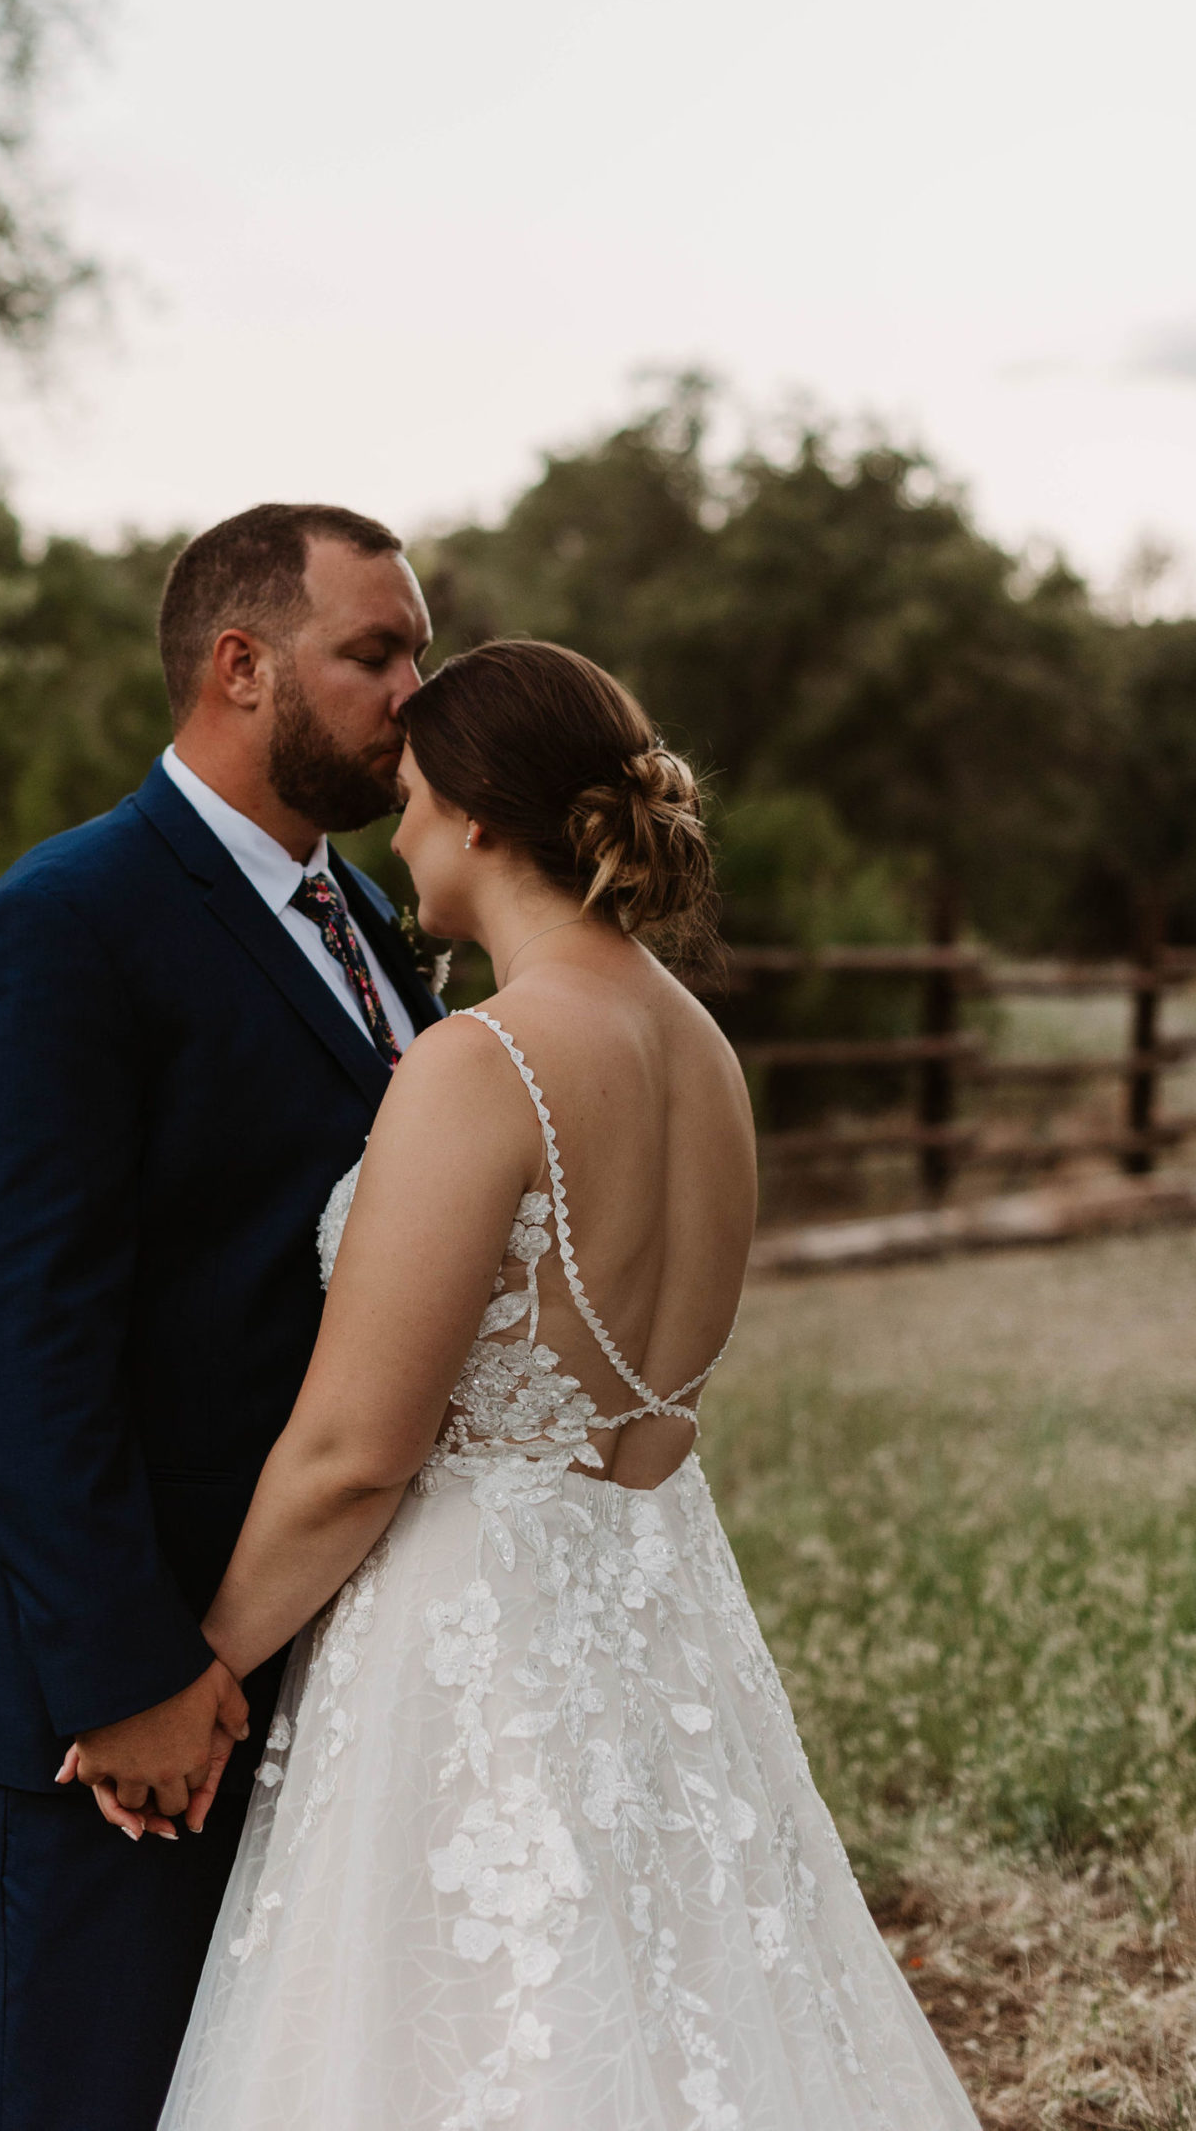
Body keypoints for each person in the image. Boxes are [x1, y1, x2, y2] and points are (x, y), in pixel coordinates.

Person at [86, 637, 981, 2130]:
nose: (401, 835)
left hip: (472, 1636)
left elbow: (353, 1451)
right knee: (677, 2005)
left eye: (416, 799)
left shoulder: (475, 1063)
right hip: (659, 1614)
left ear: (482, 817)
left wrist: (203, 1669)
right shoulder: (703, 1054)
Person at [0, 503, 445, 2131]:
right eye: (375, 653)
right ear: (239, 665)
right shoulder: (63, 923)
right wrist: (128, 1671)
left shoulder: (382, 935)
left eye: (416, 650)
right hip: (108, 1683)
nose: (415, 689)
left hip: (303, 1650)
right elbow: (16, 1338)